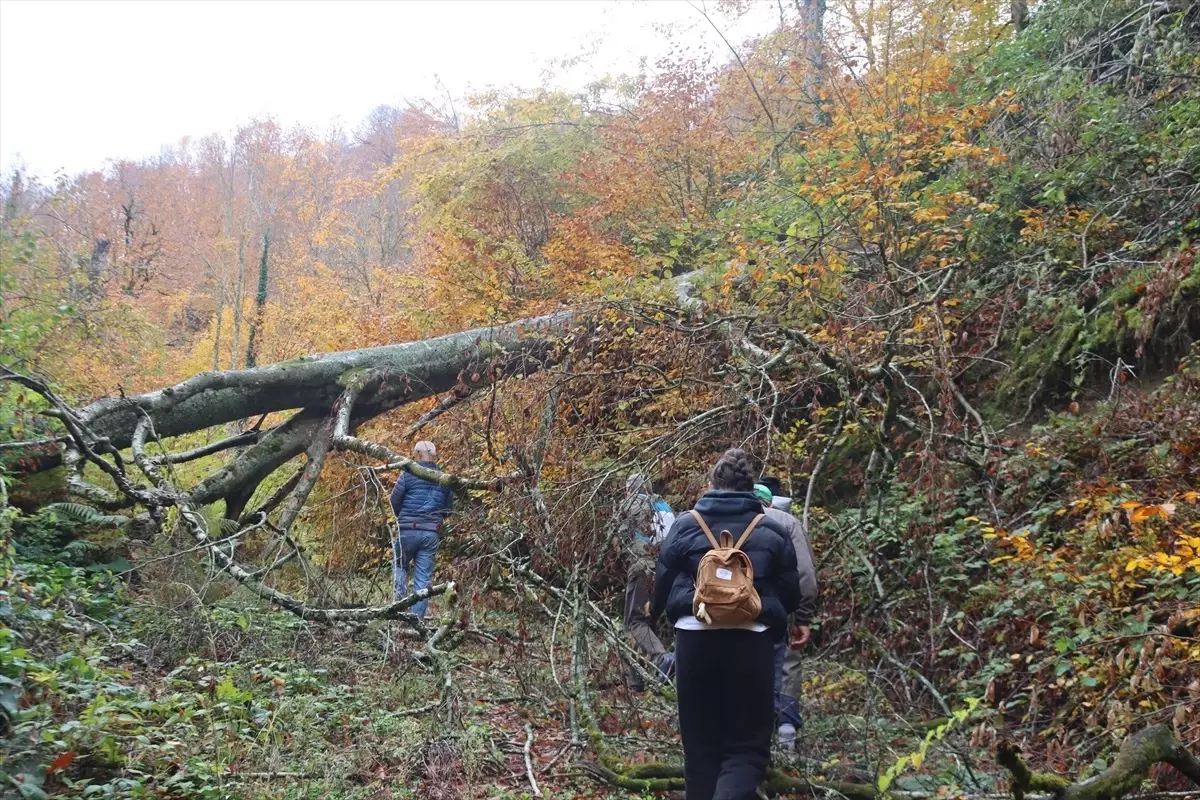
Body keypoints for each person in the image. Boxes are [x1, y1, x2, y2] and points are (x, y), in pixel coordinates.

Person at [652, 448, 801, 800]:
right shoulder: (773, 529)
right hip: (752, 643)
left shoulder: (686, 525)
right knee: (746, 748)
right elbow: (791, 597)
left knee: (700, 748)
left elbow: (659, 588)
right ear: (752, 489)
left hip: (694, 641)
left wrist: (670, 608)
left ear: (711, 484)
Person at [754, 480, 818, 751]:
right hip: (782, 607)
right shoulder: (788, 522)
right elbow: (806, 576)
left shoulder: (730, 518)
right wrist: (802, 617)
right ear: (771, 502)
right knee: (788, 662)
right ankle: (786, 729)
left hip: (738, 609)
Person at [618, 473, 677, 688]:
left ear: (630, 488)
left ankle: (662, 659)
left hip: (642, 567)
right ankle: (638, 681)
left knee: (634, 622)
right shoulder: (665, 507)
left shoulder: (629, 505)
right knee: (647, 622)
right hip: (664, 571)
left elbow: (621, 538)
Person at [389, 440, 453, 618]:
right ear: (434, 455)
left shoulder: (408, 475)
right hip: (431, 533)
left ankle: (398, 612)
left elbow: (393, 501)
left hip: (407, 531)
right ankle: (417, 621)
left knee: (400, 566)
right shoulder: (444, 478)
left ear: (417, 455)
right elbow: (448, 510)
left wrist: (402, 518)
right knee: (423, 579)